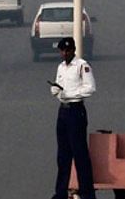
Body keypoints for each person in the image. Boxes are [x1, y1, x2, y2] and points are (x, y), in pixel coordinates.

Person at [49, 36, 96, 199]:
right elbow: (59, 84)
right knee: (63, 155)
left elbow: (90, 88)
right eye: (62, 50)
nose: (64, 53)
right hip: (63, 111)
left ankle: (87, 193)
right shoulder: (61, 67)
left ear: (73, 50)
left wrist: (70, 94)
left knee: (80, 153)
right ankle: (60, 192)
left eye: (67, 50)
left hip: (76, 110)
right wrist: (56, 91)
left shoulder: (82, 66)